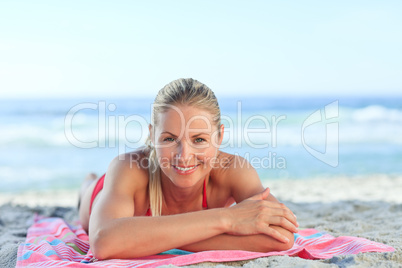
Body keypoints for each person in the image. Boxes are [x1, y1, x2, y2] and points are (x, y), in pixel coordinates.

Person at [78, 78, 299, 260]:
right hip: (105, 193)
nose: (184, 156)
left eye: (199, 139)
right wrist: (227, 220)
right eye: (169, 138)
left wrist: (146, 239)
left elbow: (281, 237)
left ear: (219, 136)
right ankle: (87, 182)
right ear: (152, 135)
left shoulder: (232, 170)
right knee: (88, 192)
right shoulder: (128, 167)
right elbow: (103, 241)